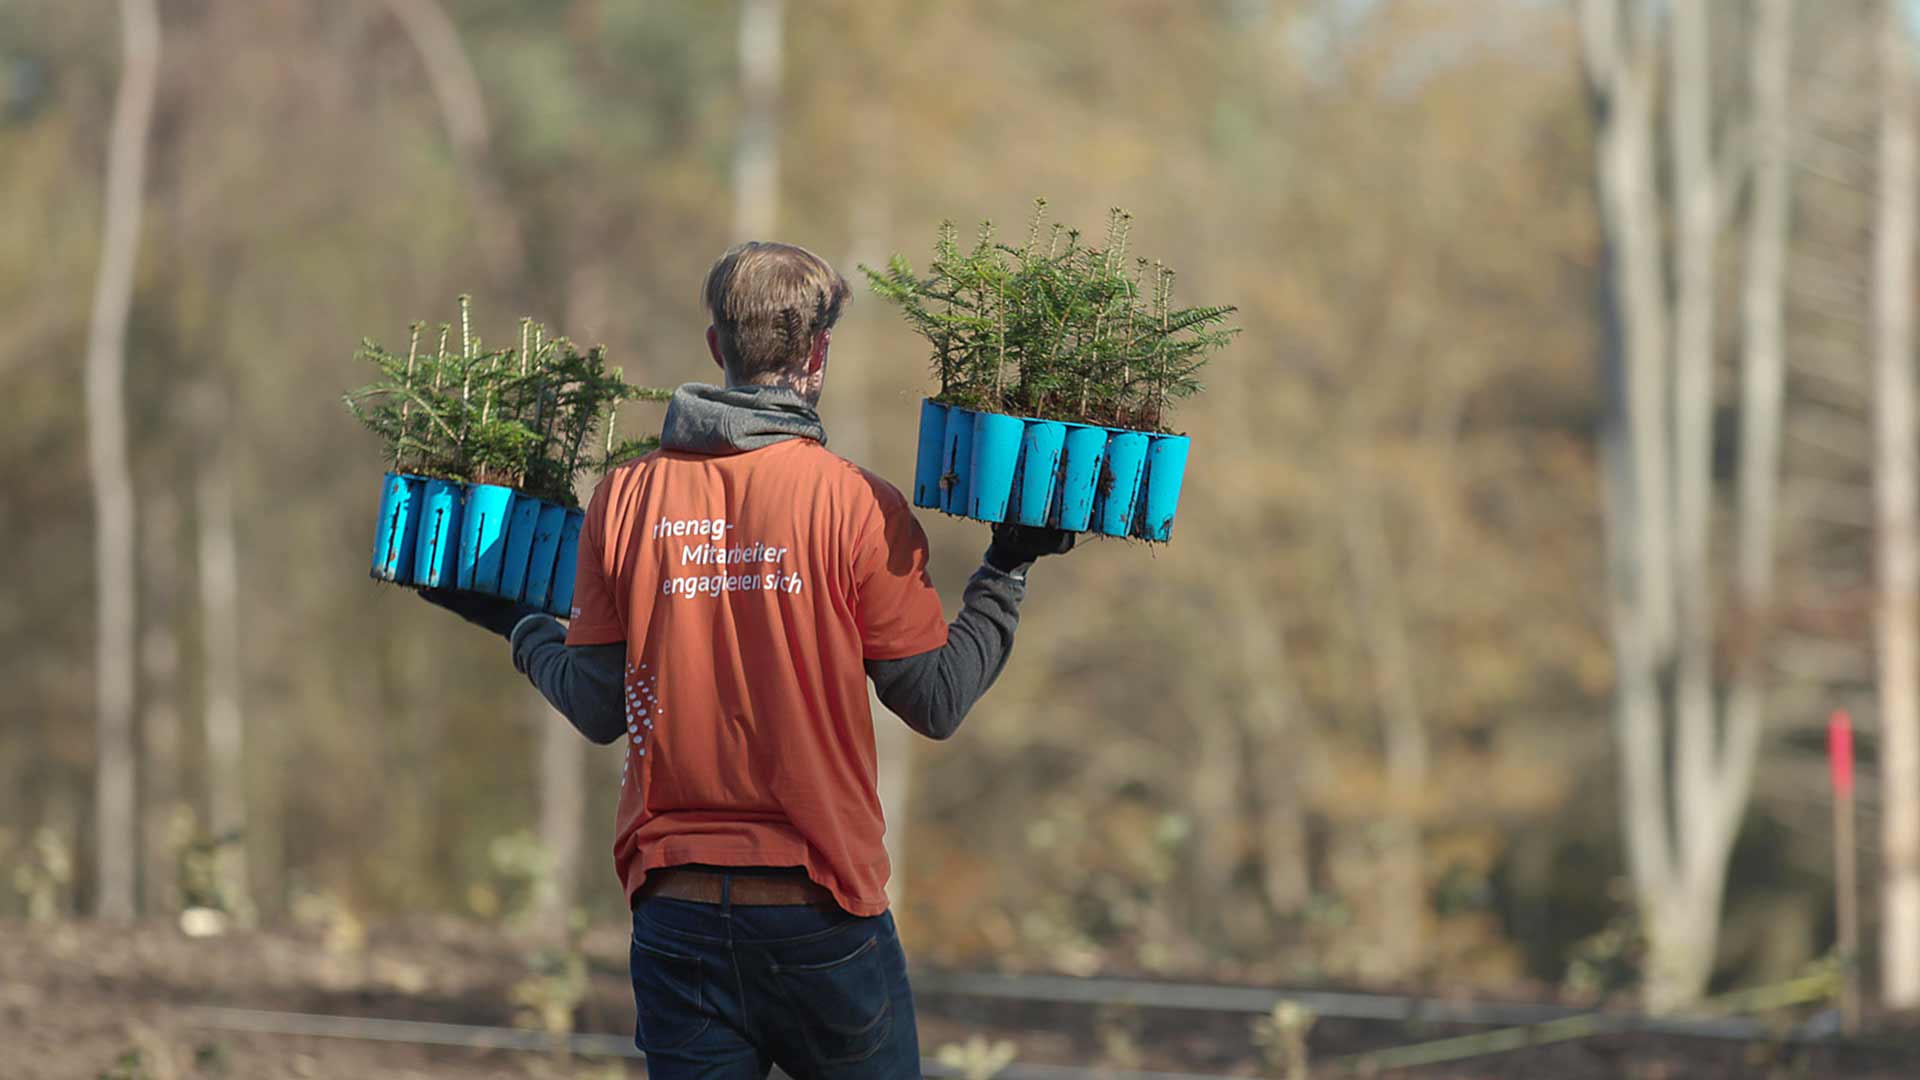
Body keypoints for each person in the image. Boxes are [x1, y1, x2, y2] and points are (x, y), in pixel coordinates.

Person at [422, 241, 1074, 1079]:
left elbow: (594, 705)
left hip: (677, 917)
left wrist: (518, 624)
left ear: (714, 347)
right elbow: (937, 699)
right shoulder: (855, 503)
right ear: (818, 353)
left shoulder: (626, 497)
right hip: (820, 916)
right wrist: (1007, 570)